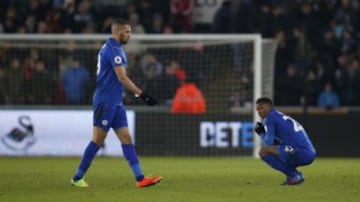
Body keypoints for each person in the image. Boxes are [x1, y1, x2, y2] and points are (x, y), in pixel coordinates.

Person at [71, 18, 162, 188]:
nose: (130, 35)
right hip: (105, 101)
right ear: (118, 32)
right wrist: (142, 95)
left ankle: (140, 179)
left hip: (115, 101)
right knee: (98, 140)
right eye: (127, 32)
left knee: (126, 138)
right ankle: (77, 178)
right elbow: (122, 77)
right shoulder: (114, 50)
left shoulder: (113, 47)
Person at [254, 97, 316, 185]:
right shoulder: (278, 115)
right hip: (308, 152)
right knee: (278, 150)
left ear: (269, 107)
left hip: (300, 152)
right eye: (257, 110)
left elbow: (269, 143)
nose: (259, 111)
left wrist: (261, 133)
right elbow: (277, 143)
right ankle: (293, 175)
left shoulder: (271, 118)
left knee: (263, 152)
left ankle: (294, 175)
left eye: (262, 108)